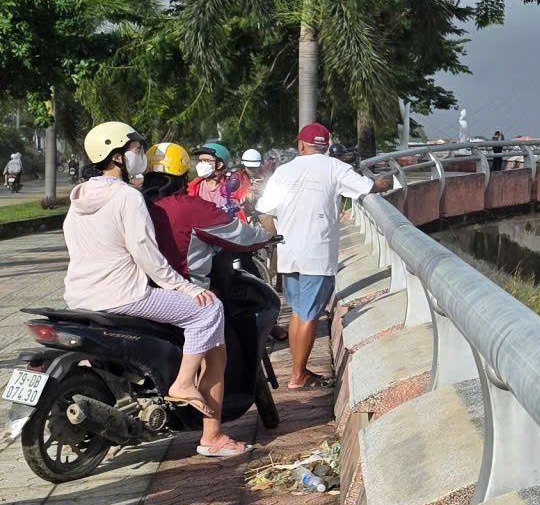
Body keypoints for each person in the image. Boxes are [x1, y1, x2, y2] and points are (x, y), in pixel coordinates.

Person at [64, 122, 241, 458]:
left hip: (78, 295)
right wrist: (185, 288)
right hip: (125, 294)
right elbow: (146, 253)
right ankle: (185, 382)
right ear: (116, 156)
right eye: (133, 149)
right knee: (209, 308)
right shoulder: (128, 197)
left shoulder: (79, 197)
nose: (138, 155)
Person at [254, 121, 373, 390]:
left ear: (301, 144)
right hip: (317, 253)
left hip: (288, 252)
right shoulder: (334, 167)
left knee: (298, 312)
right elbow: (366, 187)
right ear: (326, 146)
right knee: (308, 315)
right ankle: (298, 376)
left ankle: (300, 371)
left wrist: (275, 238)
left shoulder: (283, 172)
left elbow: (264, 210)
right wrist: (385, 182)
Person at [191, 141, 235, 215]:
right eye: (200, 161)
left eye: (206, 161)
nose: (201, 164)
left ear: (219, 165)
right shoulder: (192, 188)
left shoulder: (232, 187)